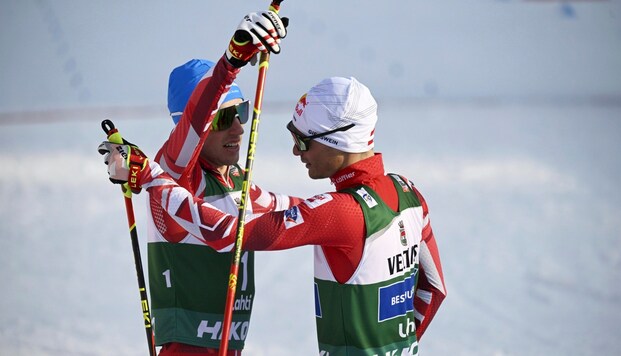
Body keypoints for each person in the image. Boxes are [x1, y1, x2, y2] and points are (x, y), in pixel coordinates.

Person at [100, 76, 446, 355]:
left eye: (303, 140)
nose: (296, 151)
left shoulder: (336, 210)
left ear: (338, 141)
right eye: (224, 116)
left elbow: (234, 234)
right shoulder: (406, 191)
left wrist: (149, 176)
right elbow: (434, 289)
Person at [138, 9, 295, 356]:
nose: (239, 128)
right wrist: (230, 63)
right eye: (225, 117)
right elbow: (195, 120)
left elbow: (295, 211)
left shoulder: (235, 180)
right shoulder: (176, 175)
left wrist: (355, 205)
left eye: (240, 113)